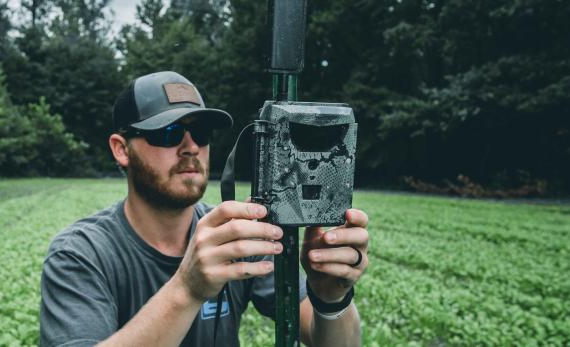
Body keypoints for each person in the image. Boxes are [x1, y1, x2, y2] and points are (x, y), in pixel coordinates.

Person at [39, 71, 370, 346]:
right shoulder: (80, 253)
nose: (191, 147)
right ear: (121, 149)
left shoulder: (235, 239)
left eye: (200, 132)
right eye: (168, 133)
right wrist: (187, 289)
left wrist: (330, 300)